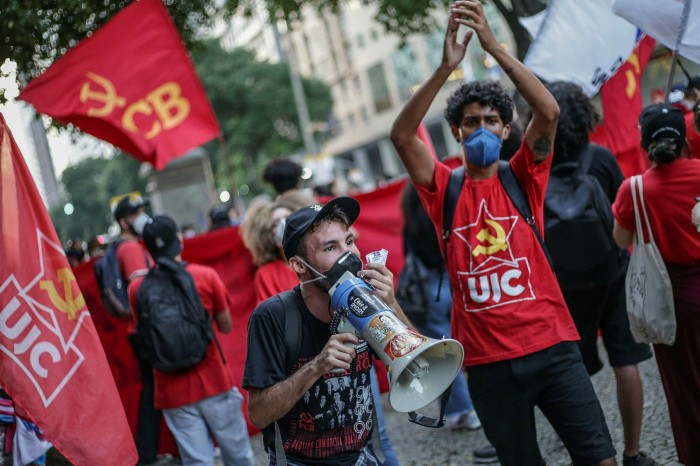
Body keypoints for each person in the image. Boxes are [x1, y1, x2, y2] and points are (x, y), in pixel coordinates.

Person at [389, 3, 616, 465]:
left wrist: (495, 48)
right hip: (488, 365)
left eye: (492, 120)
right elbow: (402, 134)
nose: (482, 129)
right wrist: (444, 68)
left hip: (552, 348)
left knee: (598, 456)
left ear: (507, 128)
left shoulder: (523, 175)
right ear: (456, 131)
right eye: (471, 122)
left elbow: (548, 110)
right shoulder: (443, 189)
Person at [243, 197, 411, 466]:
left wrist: (390, 305)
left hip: (363, 457)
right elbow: (259, 414)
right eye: (331, 247)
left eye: (349, 241)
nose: (349, 255)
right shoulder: (273, 315)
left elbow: (415, 360)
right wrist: (316, 366)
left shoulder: (364, 300)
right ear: (299, 265)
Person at [546, 81, 656, 466]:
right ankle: (632, 451)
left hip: (563, 286)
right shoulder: (602, 158)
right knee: (626, 362)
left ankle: (591, 449)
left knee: (570, 371)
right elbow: (621, 214)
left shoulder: (536, 169)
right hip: (613, 275)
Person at [612, 103, 700, 466]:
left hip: (673, 299)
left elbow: (621, 240)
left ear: (645, 143)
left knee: (687, 387)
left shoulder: (634, 189)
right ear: (684, 138)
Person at [129, 215, 255, 466]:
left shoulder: (137, 289)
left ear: (149, 249)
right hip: (214, 382)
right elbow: (225, 325)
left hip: (170, 391)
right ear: (179, 240)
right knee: (239, 456)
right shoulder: (205, 276)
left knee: (197, 461)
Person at [399, 183, 480, 431]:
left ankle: (464, 410)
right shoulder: (444, 216)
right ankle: (480, 403)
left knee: (444, 354)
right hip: (455, 284)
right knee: (470, 344)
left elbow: (408, 255)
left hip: (428, 294)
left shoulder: (411, 225)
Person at [113, 195, 170, 466]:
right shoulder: (130, 249)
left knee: (153, 388)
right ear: (124, 221)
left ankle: (149, 453)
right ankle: (146, 454)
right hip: (145, 328)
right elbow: (142, 289)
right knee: (154, 390)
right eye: (136, 213)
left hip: (139, 328)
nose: (141, 216)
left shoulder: (127, 246)